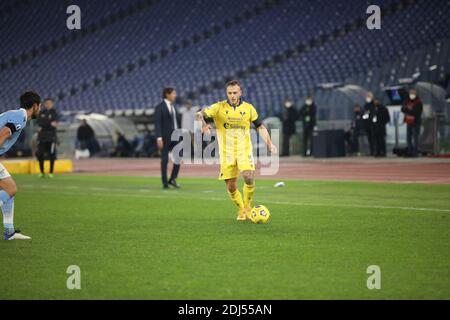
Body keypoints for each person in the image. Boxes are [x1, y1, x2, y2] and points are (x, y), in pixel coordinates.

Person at [196, 80, 277, 221]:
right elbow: (199, 114)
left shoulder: (249, 108)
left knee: (248, 176)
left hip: (244, 150)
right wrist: (203, 124)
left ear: (240, 93)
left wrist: (270, 144)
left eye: (235, 92)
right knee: (231, 186)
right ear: (226, 93)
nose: (232, 95)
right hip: (226, 153)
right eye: (229, 93)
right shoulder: (218, 107)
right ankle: (241, 208)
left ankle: (247, 206)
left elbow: (260, 127)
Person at [0, 91, 41, 240]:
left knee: (9, 189)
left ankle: (9, 232)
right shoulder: (21, 117)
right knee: (10, 189)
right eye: (39, 106)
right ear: (35, 106)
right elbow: (4, 133)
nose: (39, 109)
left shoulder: (16, 114)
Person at [154, 87, 182, 189]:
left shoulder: (174, 107)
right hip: (165, 137)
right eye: (173, 93)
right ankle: (165, 183)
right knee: (165, 160)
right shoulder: (159, 107)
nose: (175, 95)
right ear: (167, 94)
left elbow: (177, 122)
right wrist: (159, 138)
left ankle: (172, 179)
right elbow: (157, 123)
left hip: (176, 136)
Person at [36, 98, 59, 178]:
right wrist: (49, 123)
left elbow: (54, 124)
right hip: (42, 137)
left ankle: (51, 172)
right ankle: (42, 172)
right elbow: (39, 123)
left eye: (50, 103)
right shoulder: (41, 112)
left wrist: (44, 125)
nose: (48, 104)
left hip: (51, 137)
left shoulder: (55, 113)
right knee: (39, 154)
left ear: (52, 104)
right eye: (47, 103)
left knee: (52, 154)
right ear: (45, 104)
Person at [401, 88, 423, 157]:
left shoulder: (418, 102)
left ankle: (415, 152)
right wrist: (407, 109)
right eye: (410, 93)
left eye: (413, 93)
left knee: (415, 138)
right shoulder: (407, 100)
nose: (411, 94)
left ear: (415, 93)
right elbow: (403, 108)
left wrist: (407, 110)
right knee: (408, 138)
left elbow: (415, 112)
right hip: (409, 121)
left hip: (416, 122)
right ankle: (410, 151)